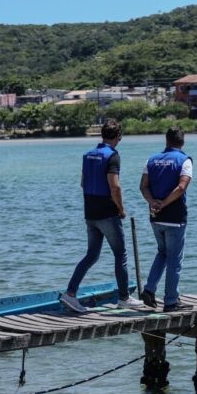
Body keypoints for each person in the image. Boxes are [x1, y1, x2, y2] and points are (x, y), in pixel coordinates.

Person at [60, 119, 143, 313]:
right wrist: (121, 208)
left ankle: (70, 293)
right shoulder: (112, 156)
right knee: (120, 254)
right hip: (107, 212)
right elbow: (115, 185)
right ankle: (124, 297)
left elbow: (83, 183)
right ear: (118, 137)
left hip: (90, 212)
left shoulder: (88, 155)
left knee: (91, 255)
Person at [139, 126, 194, 312]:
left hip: (155, 216)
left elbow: (143, 186)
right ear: (182, 141)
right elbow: (181, 187)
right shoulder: (185, 161)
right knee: (174, 260)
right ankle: (171, 301)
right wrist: (164, 203)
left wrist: (153, 202)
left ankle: (149, 290)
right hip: (174, 217)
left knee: (162, 253)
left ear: (167, 140)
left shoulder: (151, 160)